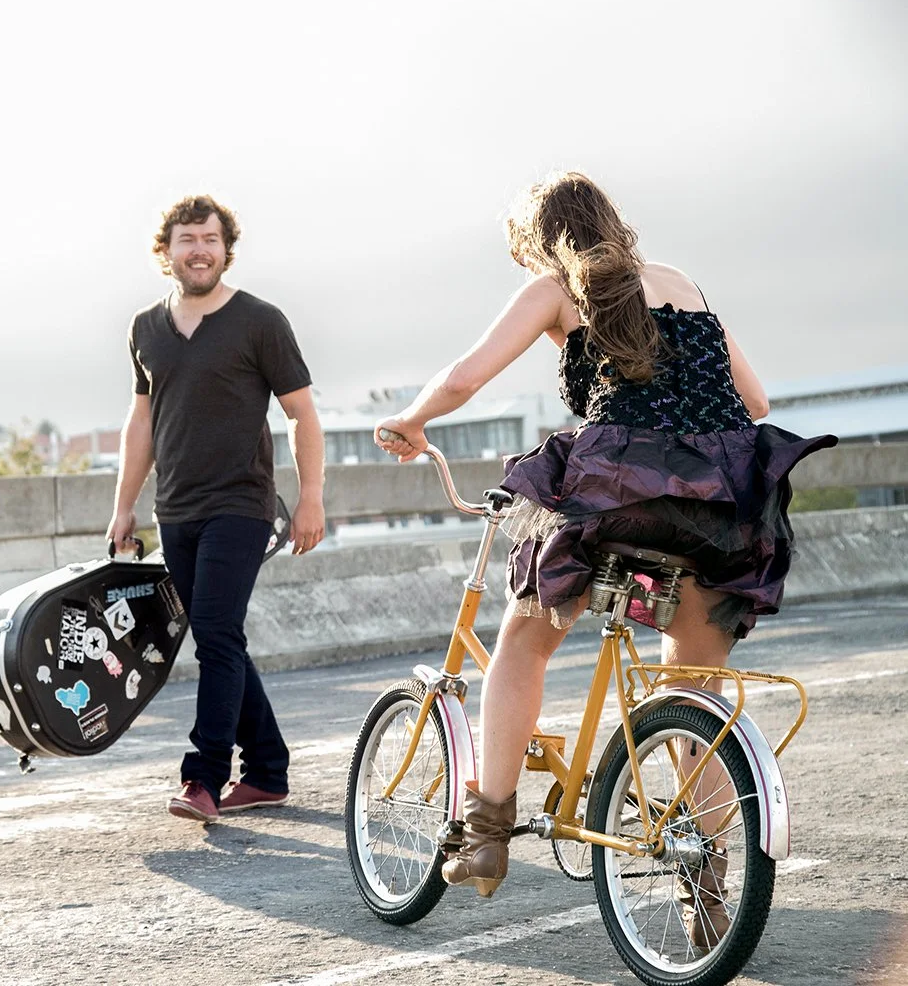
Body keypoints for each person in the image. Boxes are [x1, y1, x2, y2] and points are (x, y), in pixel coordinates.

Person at [374, 172, 835, 945]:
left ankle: (486, 832)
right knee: (695, 692)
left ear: (539, 245)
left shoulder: (556, 288)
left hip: (620, 498)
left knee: (526, 640)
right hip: (720, 509)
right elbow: (755, 403)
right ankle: (706, 882)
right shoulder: (681, 282)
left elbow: (464, 377)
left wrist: (410, 421)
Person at [107, 194, 327, 825]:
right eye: (187, 239)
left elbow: (301, 413)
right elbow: (142, 421)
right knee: (218, 634)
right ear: (166, 250)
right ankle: (267, 771)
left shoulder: (260, 321)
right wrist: (123, 507)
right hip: (174, 509)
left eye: (210, 239)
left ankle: (203, 777)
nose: (199, 250)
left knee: (215, 631)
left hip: (241, 504)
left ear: (226, 249)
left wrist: (311, 497)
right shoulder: (145, 328)